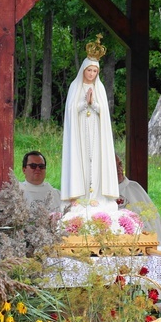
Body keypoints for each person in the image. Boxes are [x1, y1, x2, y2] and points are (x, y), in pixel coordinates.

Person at [60, 35, 119, 210]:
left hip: (96, 132)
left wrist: (94, 104)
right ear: (83, 70)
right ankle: (81, 195)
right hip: (80, 133)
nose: (91, 74)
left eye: (95, 71)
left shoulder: (99, 88)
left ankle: (96, 196)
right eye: (89, 70)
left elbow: (105, 113)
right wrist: (84, 103)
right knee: (82, 160)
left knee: (96, 161)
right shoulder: (75, 86)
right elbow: (70, 111)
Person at [115, 155, 161, 246]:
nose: (119, 169)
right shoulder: (99, 193)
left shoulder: (134, 187)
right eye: (115, 166)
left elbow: (153, 221)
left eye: (120, 164)